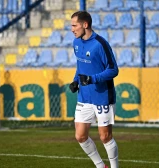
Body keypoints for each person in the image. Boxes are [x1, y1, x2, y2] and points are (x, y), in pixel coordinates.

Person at [69, 11, 119, 168]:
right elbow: (80, 65)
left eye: (74, 25)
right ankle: (100, 166)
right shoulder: (76, 43)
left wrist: (93, 79)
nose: (72, 29)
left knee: (105, 137)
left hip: (102, 96)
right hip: (84, 97)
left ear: (85, 25)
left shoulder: (100, 44)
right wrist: (76, 81)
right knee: (80, 135)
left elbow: (113, 70)